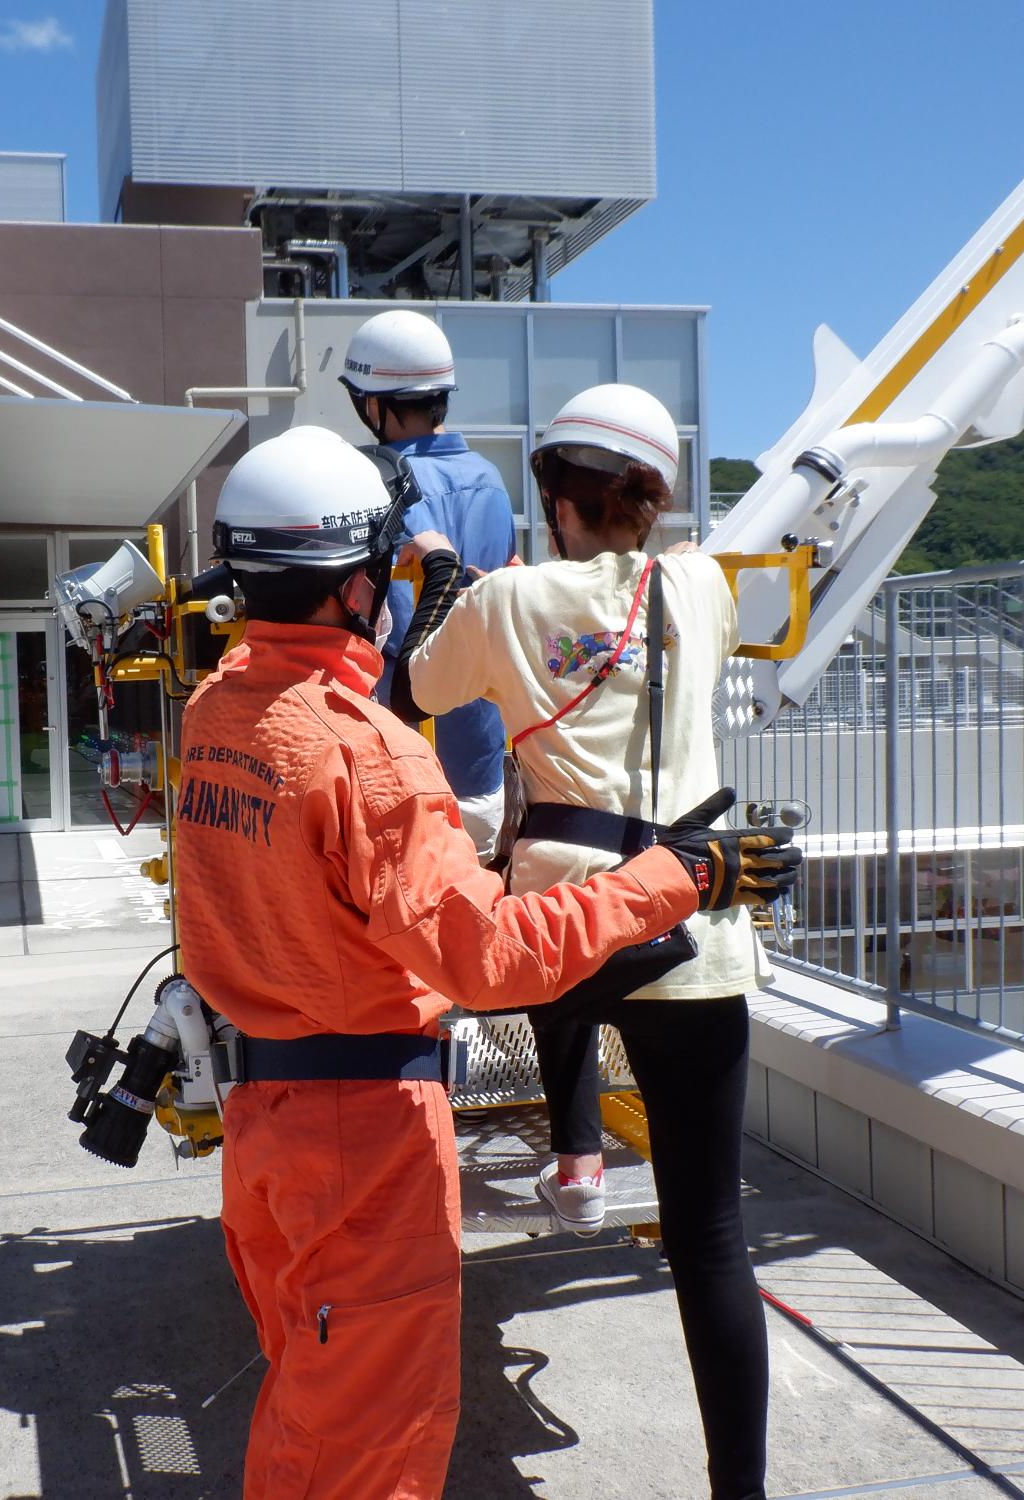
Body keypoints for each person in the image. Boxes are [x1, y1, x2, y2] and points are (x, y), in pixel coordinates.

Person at [172, 423, 798, 1500]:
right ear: (354, 582)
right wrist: (682, 876)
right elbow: (484, 960)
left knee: (309, 1393)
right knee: (370, 1431)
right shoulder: (371, 763)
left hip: (267, 1114)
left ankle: (576, 1154)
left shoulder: (214, 714)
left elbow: (401, 688)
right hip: (365, 1128)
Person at [395, 383, 785, 1500]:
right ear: (650, 498)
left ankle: (573, 1158)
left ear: (555, 496)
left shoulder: (507, 598)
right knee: (710, 1234)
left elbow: (423, 686)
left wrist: (441, 584)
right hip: (692, 922)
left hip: (557, 934)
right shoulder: (701, 587)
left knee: (554, 1001)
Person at [340, 309, 517, 861]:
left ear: (373, 403)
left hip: (401, 760)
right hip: (481, 759)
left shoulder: (368, 480)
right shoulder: (490, 479)